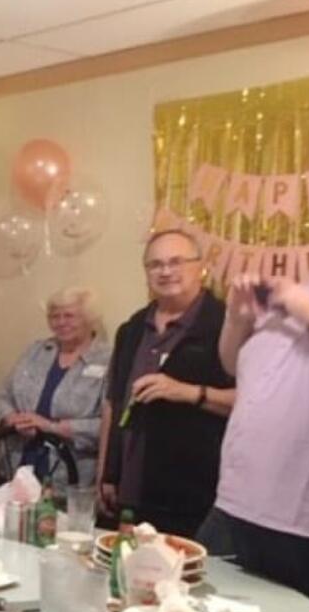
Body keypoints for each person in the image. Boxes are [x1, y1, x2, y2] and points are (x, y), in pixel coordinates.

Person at [97, 229, 235, 536]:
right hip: (132, 494)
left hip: (196, 496)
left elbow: (252, 403)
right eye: (155, 264)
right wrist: (107, 473)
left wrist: (187, 393)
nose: (166, 271)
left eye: (176, 261)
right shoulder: (131, 329)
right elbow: (113, 405)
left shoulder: (226, 325)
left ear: (201, 267)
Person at [196, 274, 309, 605]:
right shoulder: (294, 290)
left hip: (300, 525)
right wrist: (237, 319)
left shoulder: (300, 301)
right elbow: (232, 364)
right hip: (233, 503)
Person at [0, 286, 111, 488]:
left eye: (70, 316)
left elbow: (107, 425)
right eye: (55, 316)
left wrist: (51, 427)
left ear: (89, 318)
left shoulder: (108, 360)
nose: (61, 322)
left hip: (71, 473)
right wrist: (13, 418)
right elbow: (0, 396)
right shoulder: (36, 351)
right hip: (18, 464)